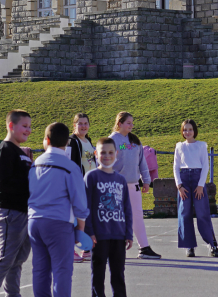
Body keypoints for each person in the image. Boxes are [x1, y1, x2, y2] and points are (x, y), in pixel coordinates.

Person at [28, 122, 90, 297]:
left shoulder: (36, 163)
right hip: (59, 222)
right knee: (62, 270)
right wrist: (81, 228)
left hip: (34, 221)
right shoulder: (70, 166)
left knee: (40, 269)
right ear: (67, 142)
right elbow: (79, 201)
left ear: (46, 140)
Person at [0, 110, 34, 297]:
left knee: (17, 260)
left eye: (30, 126)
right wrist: (30, 184)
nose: (29, 130)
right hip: (10, 212)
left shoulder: (21, 152)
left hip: (24, 211)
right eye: (25, 126)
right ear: (11, 125)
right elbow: (3, 185)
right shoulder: (4, 150)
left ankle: (13, 294)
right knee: (5, 259)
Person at [109, 112, 161, 260]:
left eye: (132, 123)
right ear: (119, 123)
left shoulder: (135, 140)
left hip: (133, 185)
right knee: (116, 217)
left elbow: (142, 162)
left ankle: (144, 248)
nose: (131, 125)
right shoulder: (112, 140)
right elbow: (106, 162)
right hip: (117, 185)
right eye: (128, 123)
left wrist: (146, 181)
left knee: (137, 216)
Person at [84, 138, 133, 297]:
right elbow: (86, 208)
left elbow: (127, 208)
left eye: (110, 152)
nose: (107, 156)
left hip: (118, 235)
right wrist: (89, 232)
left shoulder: (121, 179)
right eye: (103, 152)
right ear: (96, 154)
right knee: (98, 274)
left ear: (116, 154)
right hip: (99, 236)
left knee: (118, 274)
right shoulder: (91, 177)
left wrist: (128, 233)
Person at [174, 119, 218, 258]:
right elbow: (176, 167)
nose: (187, 132)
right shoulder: (179, 146)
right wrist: (179, 186)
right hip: (184, 181)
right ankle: (189, 246)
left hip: (197, 180)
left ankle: (212, 245)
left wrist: (201, 185)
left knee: (202, 214)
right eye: (185, 129)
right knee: (185, 214)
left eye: (190, 129)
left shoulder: (201, 146)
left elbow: (205, 166)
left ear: (195, 131)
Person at [67, 113, 97, 262]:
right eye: (80, 123)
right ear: (74, 125)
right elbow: (71, 164)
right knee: (76, 217)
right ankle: (71, 249)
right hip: (79, 185)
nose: (83, 126)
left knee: (87, 216)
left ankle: (86, 249)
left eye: (86, 123)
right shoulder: (72, 142)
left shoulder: (88, 140)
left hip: (90, 184)